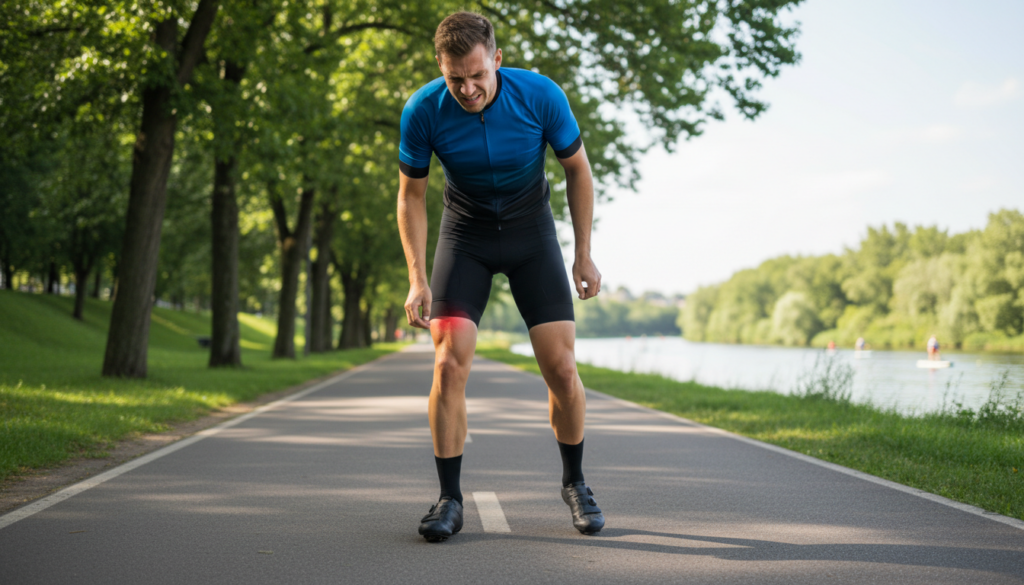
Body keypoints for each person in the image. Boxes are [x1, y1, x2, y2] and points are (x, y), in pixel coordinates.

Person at [396, 12, 605, 542]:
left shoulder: (541, 96)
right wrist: (418, 278)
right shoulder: (423, 110)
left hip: (531, 234)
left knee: (561, 366)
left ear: (497, 61)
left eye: (476, 75)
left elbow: (577, 169)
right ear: (440, 69)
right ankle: (449, 498)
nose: (467, 89)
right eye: (454, 79)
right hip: (465, 236)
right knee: (448, 363)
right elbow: (412, 196)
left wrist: (583, 253)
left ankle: (575, 483)